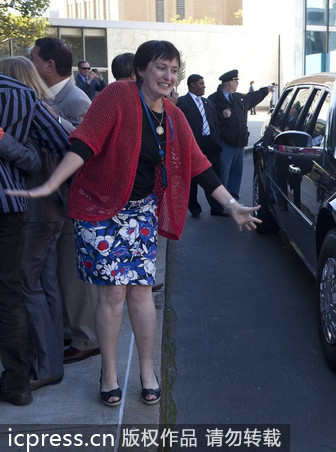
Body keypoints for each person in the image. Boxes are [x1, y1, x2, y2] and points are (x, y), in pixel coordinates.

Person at [7, 40, 261, 407]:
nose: (168, 76)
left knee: (141, 292)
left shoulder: (172, 115)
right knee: (112, 293)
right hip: (99, 210)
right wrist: (51, 182)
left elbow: (197, 162)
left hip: (140, 212)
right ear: (141, 70)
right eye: (160, 67)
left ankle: (147, 370)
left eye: (174, 70)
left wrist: (232, 204)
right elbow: (84, 143)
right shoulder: (116, 96)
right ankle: (108, 372)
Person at [0, 73, 70, 407]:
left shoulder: (30, 105)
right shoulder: (42, 106)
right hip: (42, 207)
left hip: (36, 208)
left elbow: (43, 154)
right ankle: (48, 363)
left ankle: (45, 365)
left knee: (28, 286)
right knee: (40, 284)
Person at [29, 37, 100, 365]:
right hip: (57, 201)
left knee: (74, 274)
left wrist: (55, 120)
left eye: (34, 60)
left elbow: (88, 150)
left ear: (49, 66)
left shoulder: (76, 99)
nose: (31, 65)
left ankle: (87, 338)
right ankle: (73, 331)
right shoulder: (46, 96)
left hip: (73, 200)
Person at [208, 70, 271, 200]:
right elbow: (209, 121)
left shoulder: (238, 98)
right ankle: (220, 204)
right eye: (236, 81)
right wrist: (222, 116)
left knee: (236, 174)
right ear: (229, 83)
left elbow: (253, 97)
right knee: (222, 175)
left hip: (239, 143)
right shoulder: (213, 99)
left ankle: (233, 202)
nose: (237, 83)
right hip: (225, 144)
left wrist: (266, 90)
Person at [177, 74, 225, 217]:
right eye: (201, 83)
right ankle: (194, 208)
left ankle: (216, 208)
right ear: (192, 85)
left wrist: (217, 140)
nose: (204, 86)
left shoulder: (208, 103)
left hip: (211, 145)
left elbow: (215, 123)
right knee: (192, 180)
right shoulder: (182, 103)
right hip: (193, 145)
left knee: (214, 176)